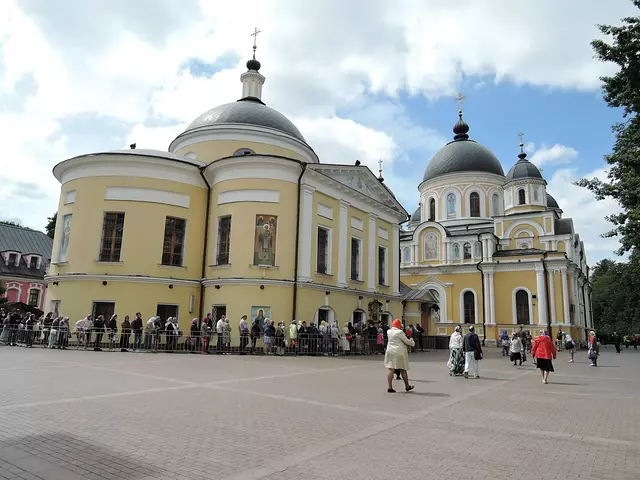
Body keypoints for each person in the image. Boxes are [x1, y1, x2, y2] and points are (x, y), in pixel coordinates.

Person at [384, 319, 415, 393]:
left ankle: (390, 387)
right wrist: (412, 342)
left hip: (390, 351)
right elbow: (406, 341)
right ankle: (407, 386)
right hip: (399, 352)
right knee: (403, 369)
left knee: (391, 369)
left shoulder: (389, 331)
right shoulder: (399, 332)